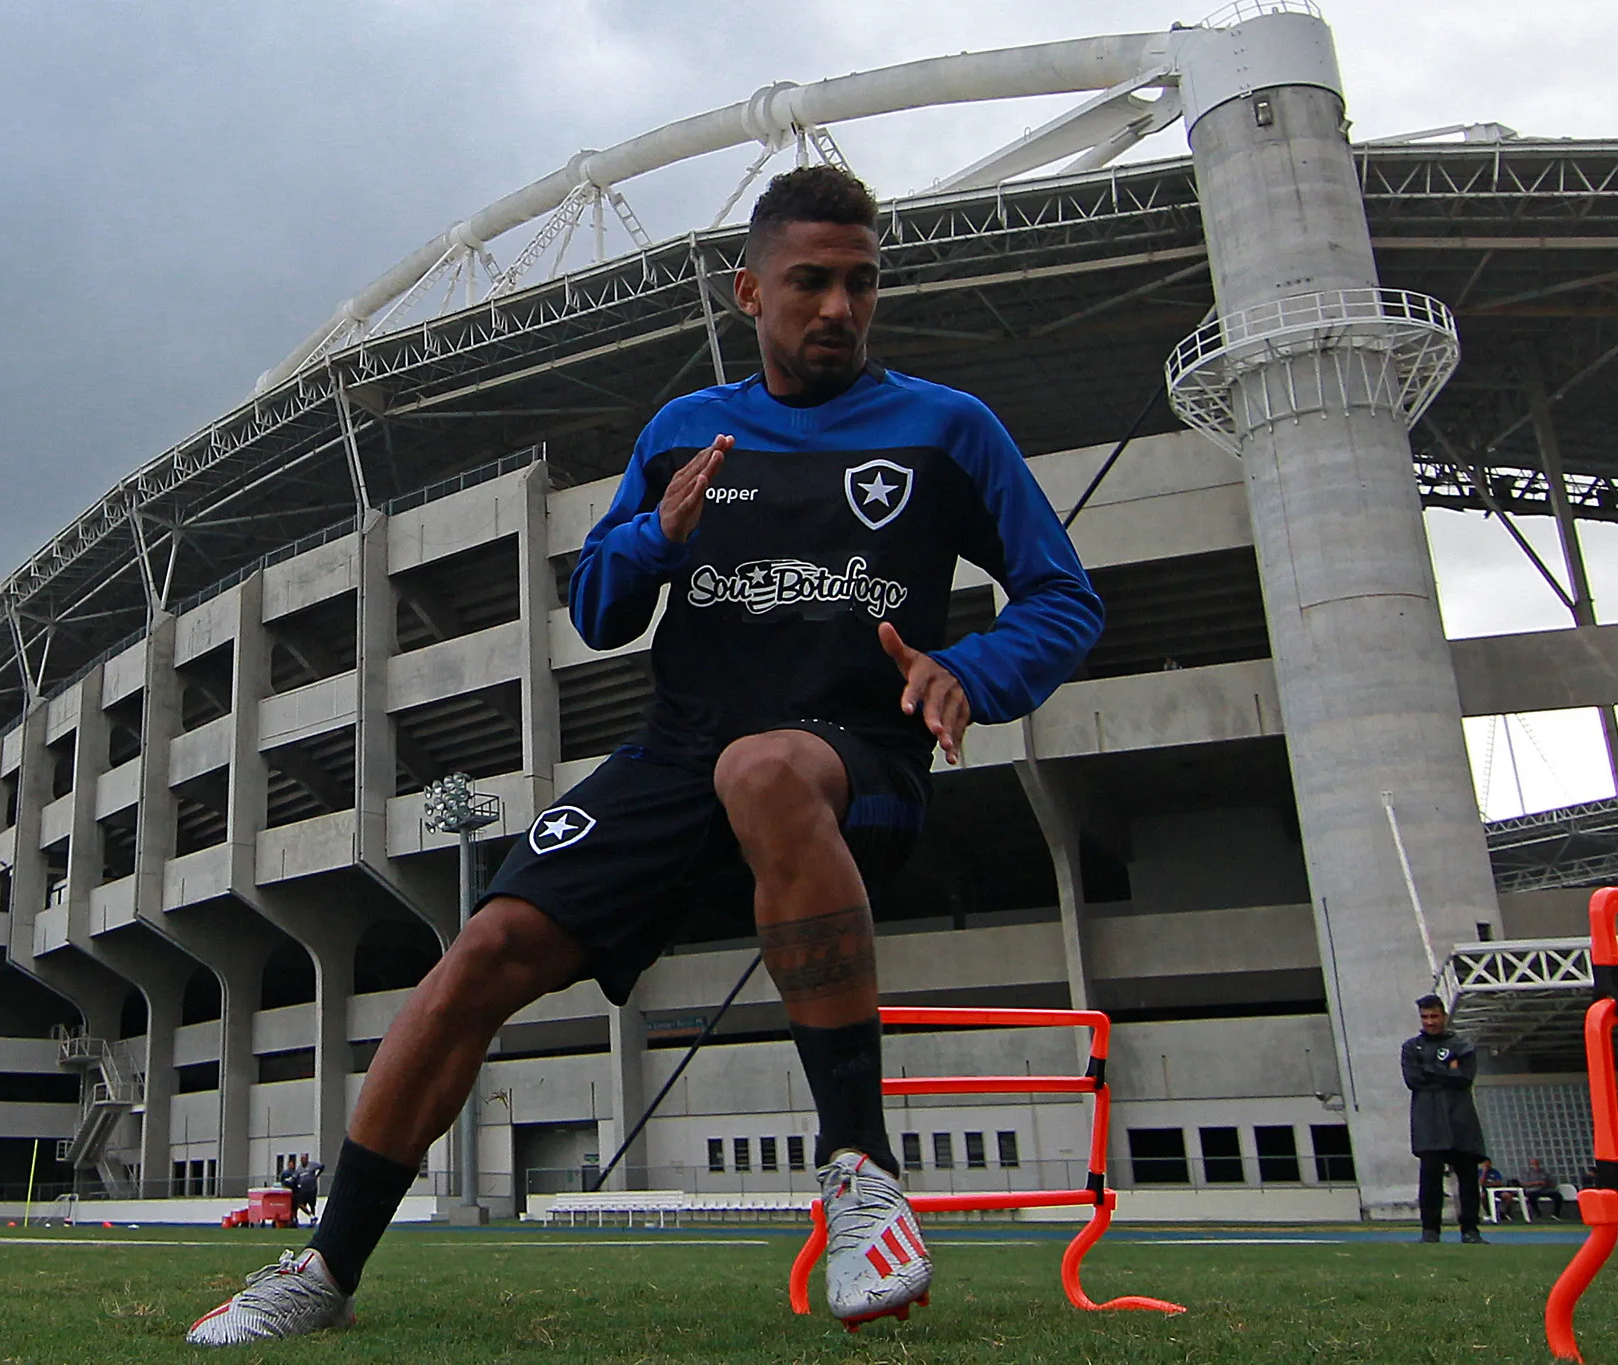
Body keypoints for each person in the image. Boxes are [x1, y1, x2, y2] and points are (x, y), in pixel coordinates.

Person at [186, 164, 1104, 1345]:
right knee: (483, 949)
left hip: (846, 759)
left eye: (860, 284)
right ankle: (324, 1270)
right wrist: (656, 540)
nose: (837, 308)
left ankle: (860, 1173)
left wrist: (969, 670)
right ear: (747, 292)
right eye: (809, 282)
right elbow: (601, 611)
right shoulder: (686, 433)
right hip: (679, 756)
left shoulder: (944, 428)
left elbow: (1060, 598)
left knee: (765, 769)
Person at [1402, 993, 1488, 1244]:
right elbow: (1413, 1080)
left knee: (1468, 1179)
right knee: (1429, 1179)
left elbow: (1464, 1078)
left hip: (1460, 1120)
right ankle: (1430, 1231)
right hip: (1428, 1121)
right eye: (1425, 1017)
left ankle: (1470, 1230)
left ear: (1444, 1016)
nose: (1430, 1022)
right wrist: (1446, 1069)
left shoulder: (1462, 1045)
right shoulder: (1411, 1047)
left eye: (1434, 1016)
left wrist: (1432, 1070)